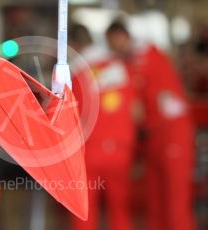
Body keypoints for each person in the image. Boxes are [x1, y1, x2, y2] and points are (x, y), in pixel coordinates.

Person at [105, 20, 195, 230]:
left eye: (115, 41)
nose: (114, 48)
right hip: (153, 136)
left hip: (173, 133)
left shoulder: (148, 55)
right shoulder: (127, 64)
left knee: (175, 201)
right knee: (155, 200)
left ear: (124, 37)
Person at [70, 23, 137, 230]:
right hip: (120, 149)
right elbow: (136, 110)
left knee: (84, 214)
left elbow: (70, 116)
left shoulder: (77, 72)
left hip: (89, 151)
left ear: (72, 44)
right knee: (120, 211)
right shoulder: (121, 66)